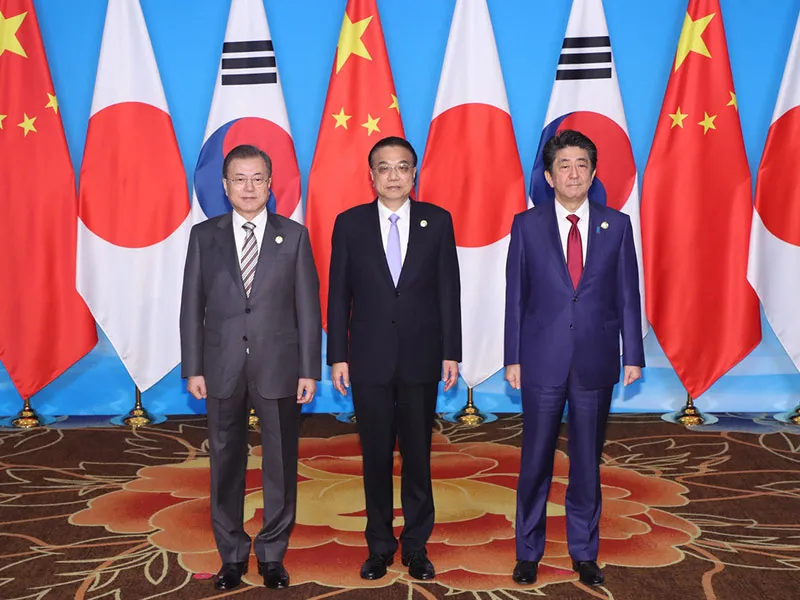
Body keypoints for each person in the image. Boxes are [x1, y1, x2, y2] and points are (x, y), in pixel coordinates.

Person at [504, 130, 644, 587]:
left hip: (595, 360)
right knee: (535, 461)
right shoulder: (526, 225)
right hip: (541, 360)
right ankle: (528, 551)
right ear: (549, 176)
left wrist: (633, 353)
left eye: (582, 164)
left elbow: (627, 295)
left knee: (586, 462)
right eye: (563, 165)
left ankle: (584, 553)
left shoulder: (616, 225)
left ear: (593, 172)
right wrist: (512, 356)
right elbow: (515, 296)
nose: (573, 173)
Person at [180, 144, 321, 590]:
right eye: (239, 179)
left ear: (270, 184)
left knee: (280, 462)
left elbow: (308, 310)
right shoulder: (204, 236)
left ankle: (273, 553)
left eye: (258, 178)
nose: (248, 187)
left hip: (279, 367)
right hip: (220, 367)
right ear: (225, 186)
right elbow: (191, 307)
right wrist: (193, 367)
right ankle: (233, 555)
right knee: (225, 462)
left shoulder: (293, 236)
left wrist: (308, 369)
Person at [327, 136, 462, 582]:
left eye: (402, 167)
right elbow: (338, 295)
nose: (393, 176)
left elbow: (449, 291)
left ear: (414, 172)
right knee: (376, 457)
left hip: (422, 358)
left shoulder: (437, 221)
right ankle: (380, 545)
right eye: (383, 168)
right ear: (371, 175)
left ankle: (417, 546)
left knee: (418, 457)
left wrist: (452, 352)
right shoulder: (350, 224)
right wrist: (337, 356)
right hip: (369, 360)